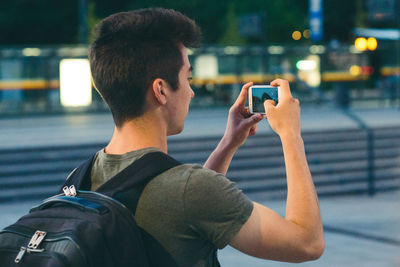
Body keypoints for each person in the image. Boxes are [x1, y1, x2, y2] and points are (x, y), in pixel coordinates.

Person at [89, 8, 324, 266]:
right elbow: (306, 242)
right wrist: (291, 135)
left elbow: (186, 207)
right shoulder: (191, 191)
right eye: (187, 78)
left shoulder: (81, 178)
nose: (191, 92)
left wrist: (228, 143)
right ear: (161, 90)